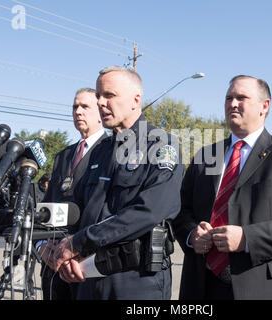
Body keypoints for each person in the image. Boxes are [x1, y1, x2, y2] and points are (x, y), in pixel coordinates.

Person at [173, 75, 272, 300]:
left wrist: (248, 238)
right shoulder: (206, 155)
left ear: (265, 106)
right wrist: (191, 235)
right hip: (201, 286)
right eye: (228, 98)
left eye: (241, 97)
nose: (232, 104)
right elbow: (180, 209)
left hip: (262, 287)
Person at [52, 66, 184, 300]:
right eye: (98, 96)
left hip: (136, 281)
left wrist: (79, 241)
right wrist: (61, 249)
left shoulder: (161, 146)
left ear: (136, 100)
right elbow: (78, 208)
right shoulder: (99, 151)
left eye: (109, 95)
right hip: (88, 276)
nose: (101, 103)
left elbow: (149, 211)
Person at [37, 88, 106, 300]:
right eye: (75, 106)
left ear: (101, 112)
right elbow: (45, 208)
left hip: (86, 268)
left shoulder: (111, 151)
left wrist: (79, 250)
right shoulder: (63, 156)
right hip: (53, 266)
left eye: (85, 106)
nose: (78, 111)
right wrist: (40, 246)